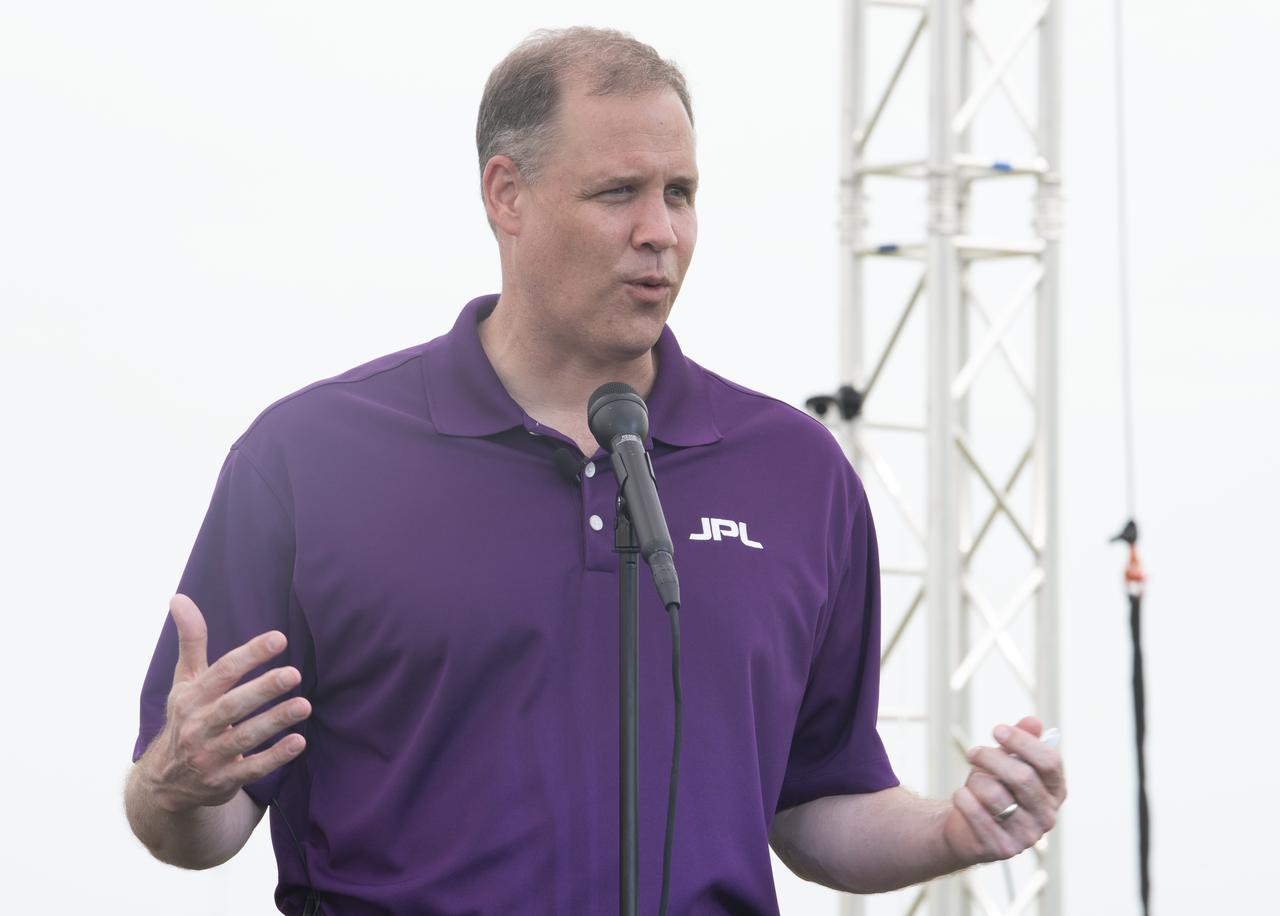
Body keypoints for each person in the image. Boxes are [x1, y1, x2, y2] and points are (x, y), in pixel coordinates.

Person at [125, 26, 1066, 915]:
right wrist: (174, 780)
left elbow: (818, 802)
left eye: (682, 193)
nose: (660, 231)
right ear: (507, 193)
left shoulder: (795, 474)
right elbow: (197, 827)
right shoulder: (311, 459)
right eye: (619, 192)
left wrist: (952, 828)